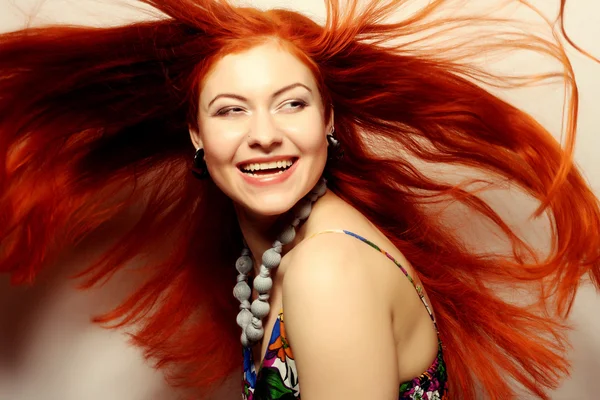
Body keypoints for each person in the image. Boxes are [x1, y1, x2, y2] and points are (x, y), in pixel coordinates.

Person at [0, 0, 598, 399]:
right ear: (196, 135)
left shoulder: (328, 270)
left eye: (292, 102)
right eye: (231, 110)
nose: (265, 133)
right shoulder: (287, 252)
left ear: (328, 120)